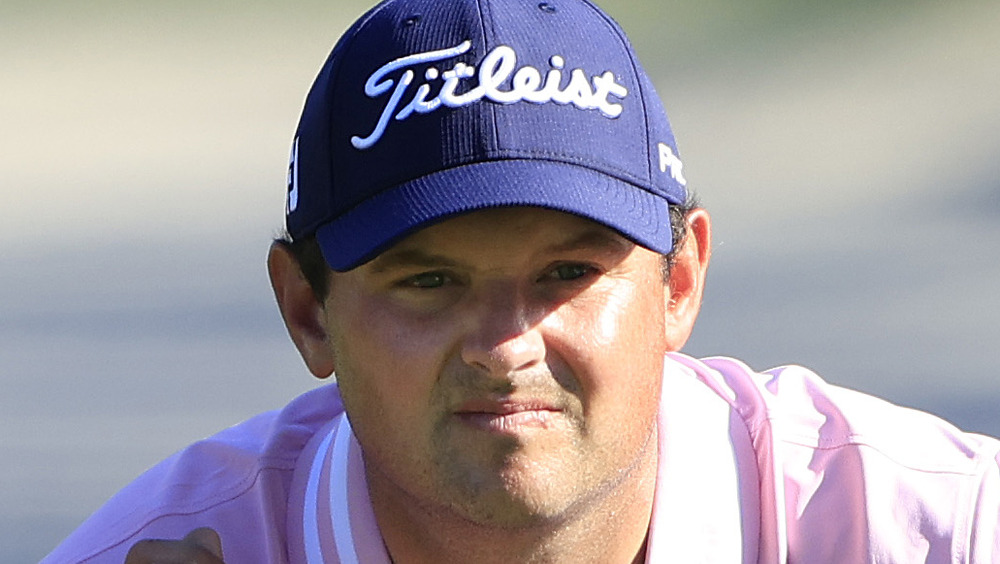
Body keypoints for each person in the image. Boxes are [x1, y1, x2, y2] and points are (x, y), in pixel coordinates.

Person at [44, 0, 1000, 562]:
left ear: (679, 285)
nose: (506, 344)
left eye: (568, 273)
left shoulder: (941, 529)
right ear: (307, 312)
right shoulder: (157, 549)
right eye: (428, 281)